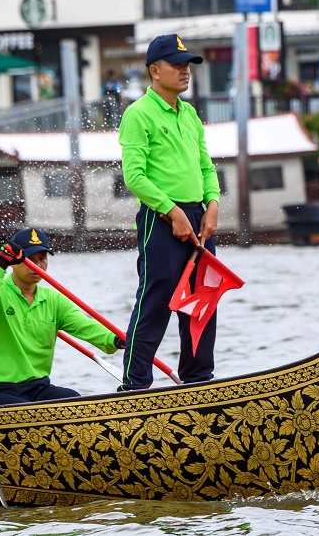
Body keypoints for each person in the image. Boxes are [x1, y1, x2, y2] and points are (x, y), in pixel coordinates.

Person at [117, 33, 221, 391]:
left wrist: (213, 204)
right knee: (156, 300)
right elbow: (134, 176)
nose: (185, 71)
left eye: (187, 65)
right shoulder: (138, 114)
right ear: (155, 71)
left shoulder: (189, 113)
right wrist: (171, 211)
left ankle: (197, 381)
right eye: (177, 65)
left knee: (203, 302)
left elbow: (206, 168)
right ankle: (134, 384)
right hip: (160, 220)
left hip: (199, 218)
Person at [0, 227, 120, 407]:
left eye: (42, 259)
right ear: (14, 262)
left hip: (36, 387)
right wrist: (0, 264)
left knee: (75, 401)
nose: (37, 266)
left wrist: (116, 339)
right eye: (30, 259)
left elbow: (86, 326)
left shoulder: (53, 300)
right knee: (23, 410)